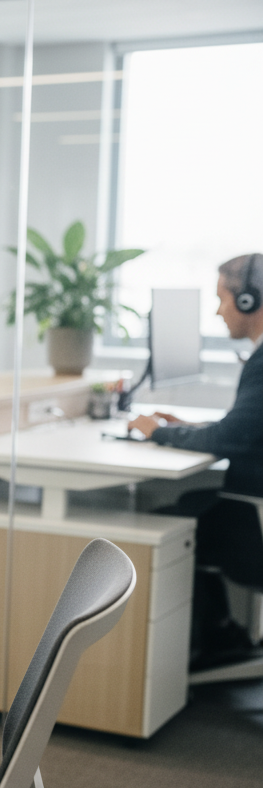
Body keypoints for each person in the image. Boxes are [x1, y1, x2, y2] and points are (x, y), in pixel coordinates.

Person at [130, 252, 263, 664]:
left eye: (223, 298)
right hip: (252, 506)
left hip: (252, 522)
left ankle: (211, 639)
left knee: (170, 517)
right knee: (189, 503)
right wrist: (185, 426)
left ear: (248, 300)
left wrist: (162, 431)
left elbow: (232, 437)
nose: (218, 310)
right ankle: (221, 633)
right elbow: (245, 429)